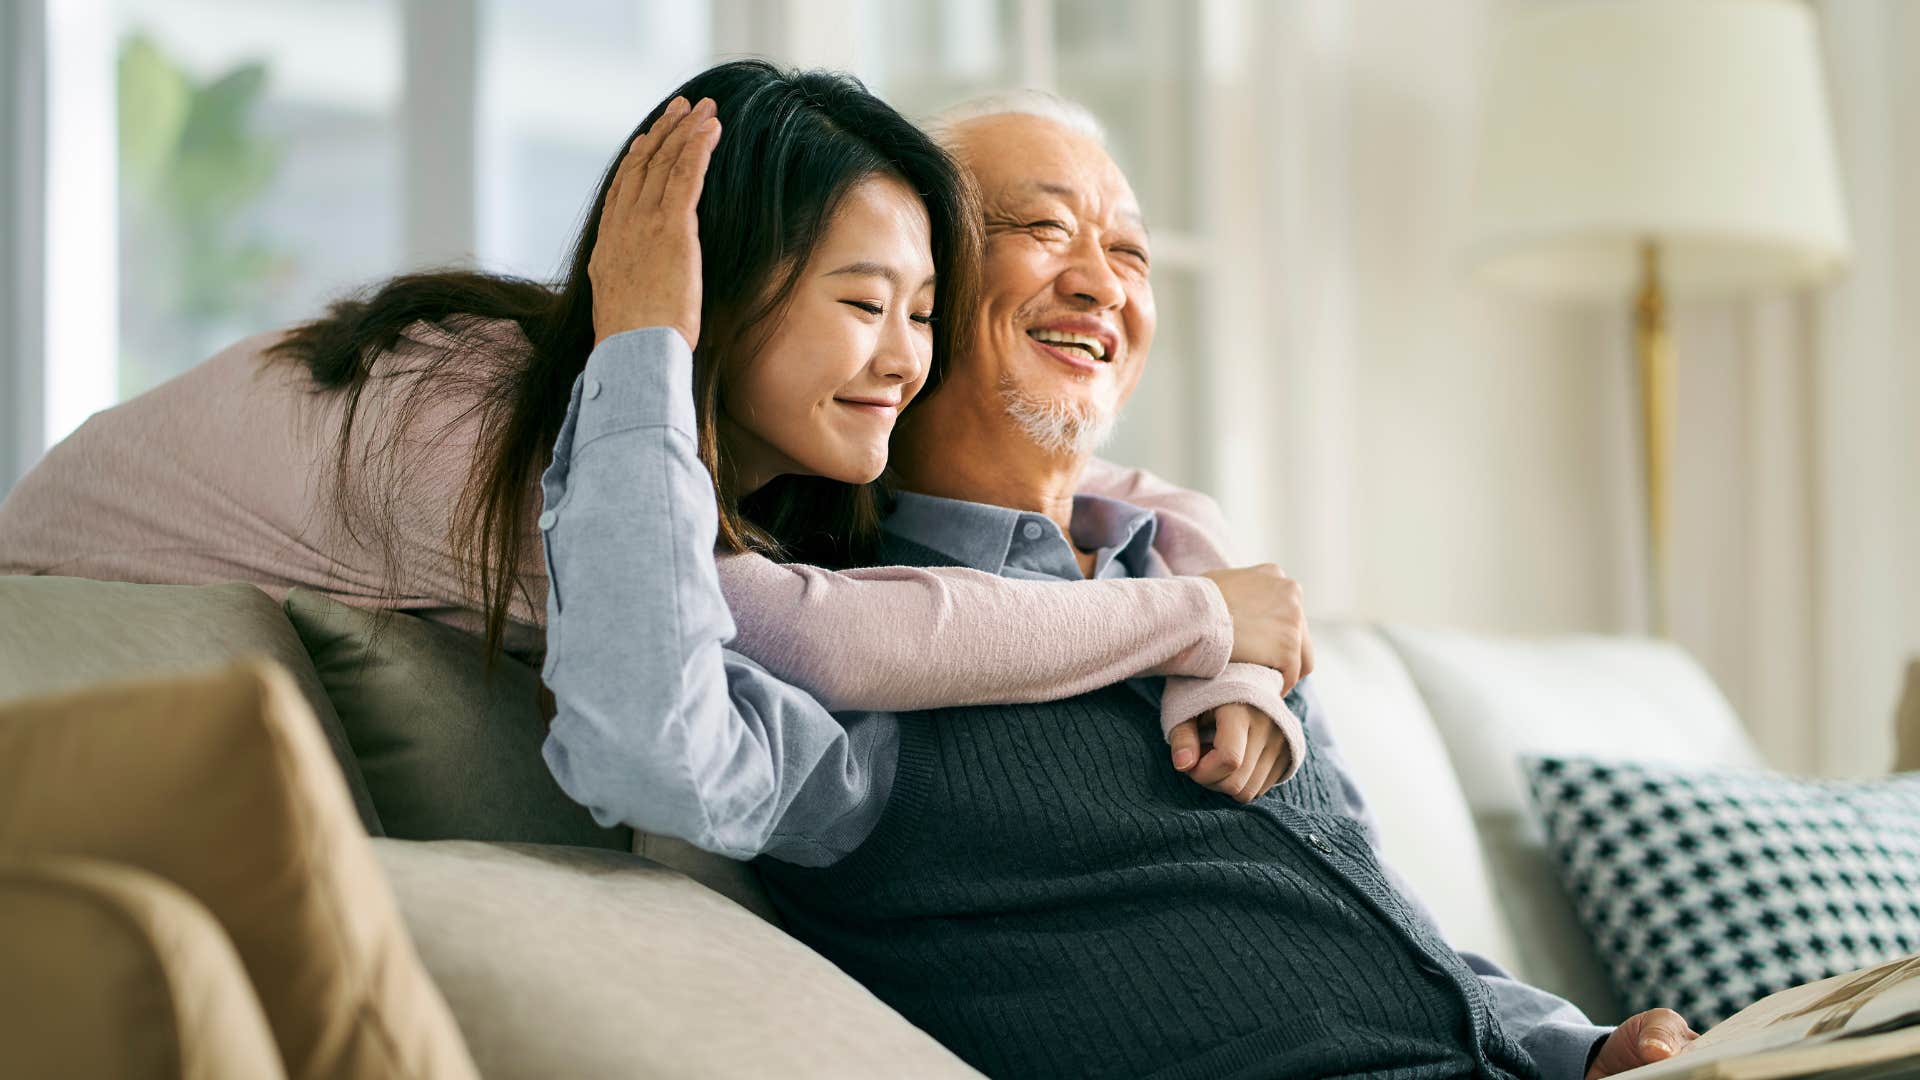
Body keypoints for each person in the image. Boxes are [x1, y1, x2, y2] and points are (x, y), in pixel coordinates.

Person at [540, 88, 1700, 1079]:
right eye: (1042, 231)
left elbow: (1375, 931)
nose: (1102, 282)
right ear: (915, 290)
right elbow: (647, 745)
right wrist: (645, 345)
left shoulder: (1210, 590)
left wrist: (1581, 1047)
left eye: (1131, 251)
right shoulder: (836, 649)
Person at [0, 59, 1308, 799]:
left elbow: (1121, 490)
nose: (905, 361)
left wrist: (1232, 640)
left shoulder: (782, 443)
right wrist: (1195, 622)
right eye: (865, 303)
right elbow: (792, 648)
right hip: (63, 689)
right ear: (717, 293)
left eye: (925, 310)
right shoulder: (477, 419)